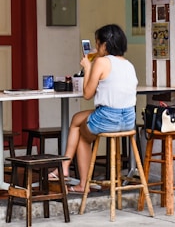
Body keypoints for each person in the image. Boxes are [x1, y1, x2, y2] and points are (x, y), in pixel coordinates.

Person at [54, 23, 138, 193]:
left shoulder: (101, 62)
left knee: (83, 137)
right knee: (77, 119)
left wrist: (88, 67)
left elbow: (87, 94)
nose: (95, 47)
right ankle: (63, 167)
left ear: (105, 45)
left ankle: (80, 181)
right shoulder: (128, 64)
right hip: (129, 120)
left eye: (97, 43)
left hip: (108, 119)